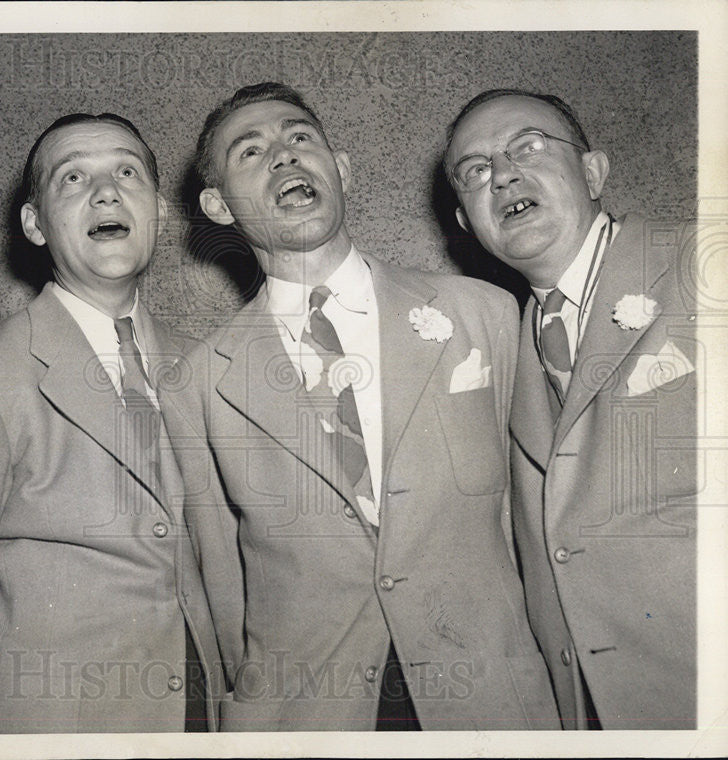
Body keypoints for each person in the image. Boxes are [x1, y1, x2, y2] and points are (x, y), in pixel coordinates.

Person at [160, 82, 559, 731]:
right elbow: (224, 585)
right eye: (251, 151)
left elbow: (534, 528)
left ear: (340, 168)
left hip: (489, 704)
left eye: (299, 138)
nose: (284, 158)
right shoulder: (198, 386)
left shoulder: (481, 313)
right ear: (218, 204)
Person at [0, 113, 224, 732]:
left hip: (204, 716)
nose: (106, 192)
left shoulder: (210, 365)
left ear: (158, 208)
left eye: (127, 172)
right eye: (74, 178)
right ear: (33, 224)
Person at [445, 89, 697, 729]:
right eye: (474, 171)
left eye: (526, 147)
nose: (500, 174)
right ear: (466, 221)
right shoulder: (492, 355)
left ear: (593, 172)